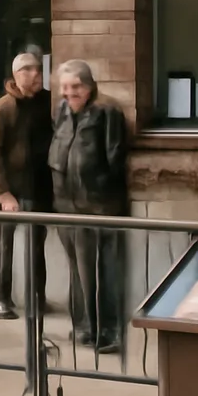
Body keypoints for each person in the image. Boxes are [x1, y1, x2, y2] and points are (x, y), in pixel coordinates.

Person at [49, 59, 129, 354]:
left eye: (76, 87)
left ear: (89, 86)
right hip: (66, 206)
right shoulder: (62, 110)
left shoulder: (107, 111)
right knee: (77, 270)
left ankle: (108, 332)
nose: (70, 93)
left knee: (102, 270)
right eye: (65, 87)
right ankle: (84, 327)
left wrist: (102, 195)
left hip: (97, 206)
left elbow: (114, 157)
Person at [0, 52, 54, 320]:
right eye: (27, 69)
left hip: (35, 187)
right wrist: (2, 192)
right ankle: (1, 299)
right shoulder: (4, 106)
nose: (35, 74)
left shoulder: (47, 102)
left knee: (36, 248)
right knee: (1, 247)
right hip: (6, 192)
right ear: (16, 75)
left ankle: (37, 297)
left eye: (38, 68)